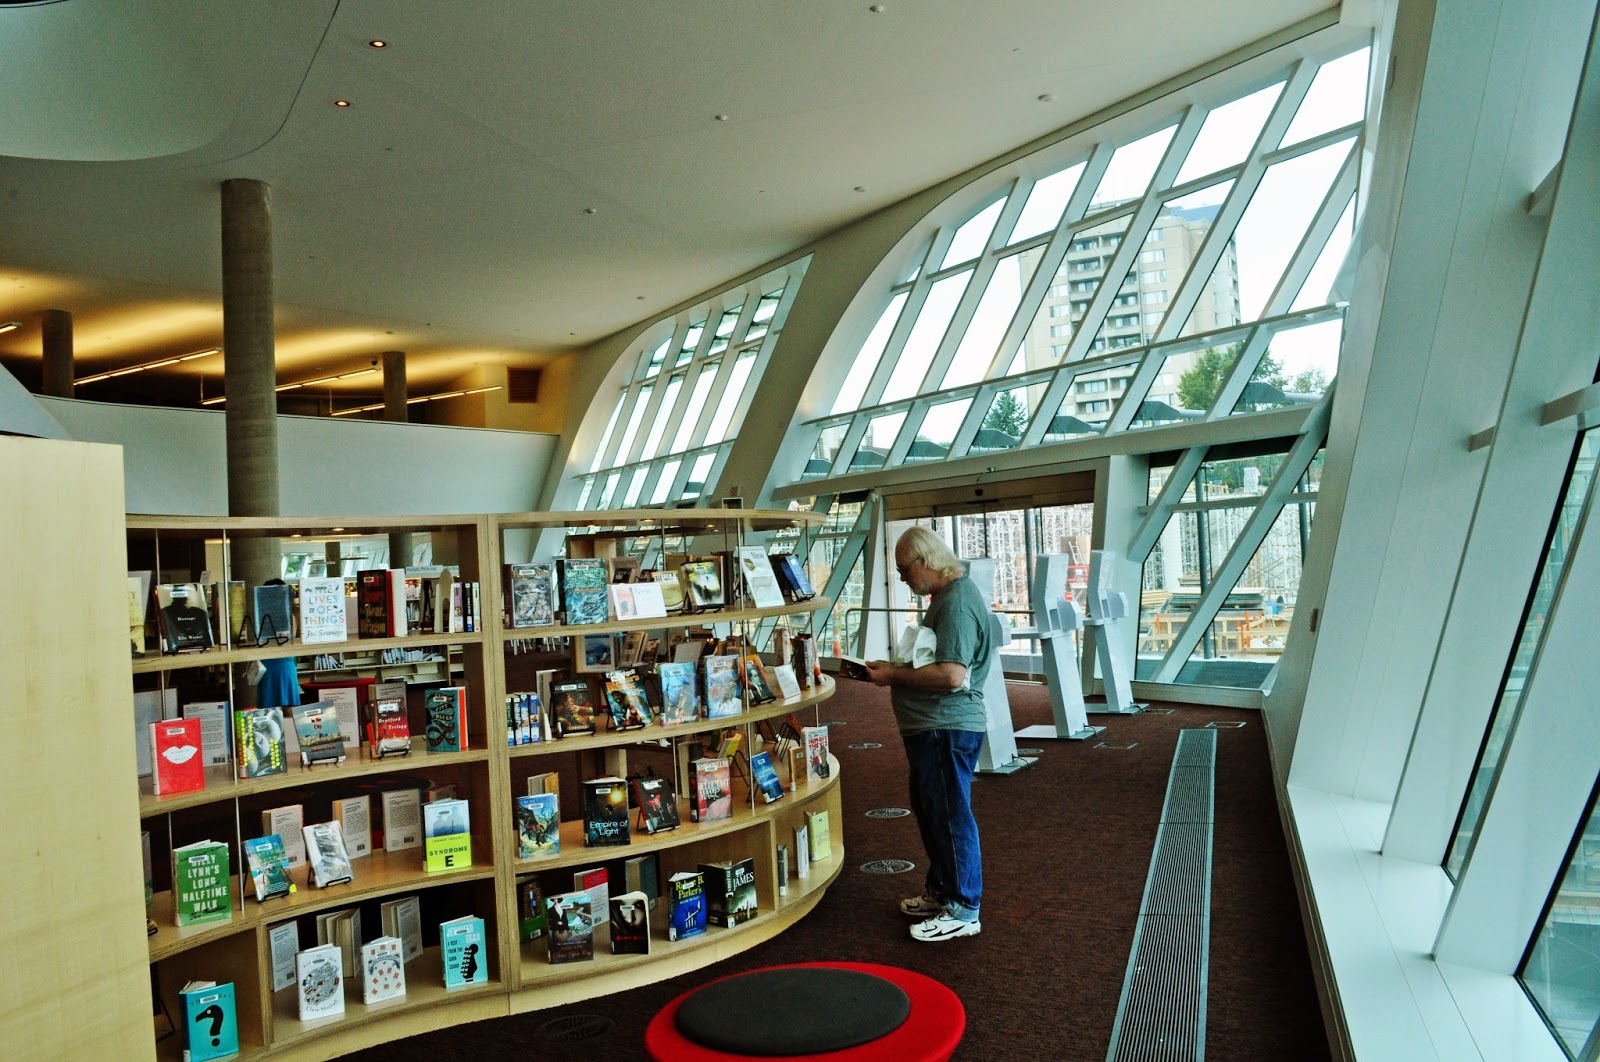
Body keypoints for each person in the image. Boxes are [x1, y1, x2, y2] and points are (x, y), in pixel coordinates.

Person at [864, 527, 992, 942]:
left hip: (946, 727)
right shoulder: (947, 598)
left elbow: (951, 675)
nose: (902, 579)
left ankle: (963, 908)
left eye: (905, 570)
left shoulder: (956, 603)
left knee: (950, 815)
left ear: (925, 561)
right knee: (934, 811)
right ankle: (943, 891)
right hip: (936, 728)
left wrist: (892, 676)